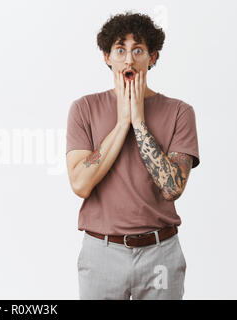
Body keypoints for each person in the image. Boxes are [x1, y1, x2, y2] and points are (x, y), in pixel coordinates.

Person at [65, 11, 200, 300]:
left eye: (138, 50)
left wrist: (139, 123)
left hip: (160, 255)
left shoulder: (180, 112)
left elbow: (172, 187)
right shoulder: (83, 109)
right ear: (106, 57)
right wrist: (121, 123)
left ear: (152, 57)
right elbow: (80, 184)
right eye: (120, 50)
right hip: (101, 254)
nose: (129, 59)